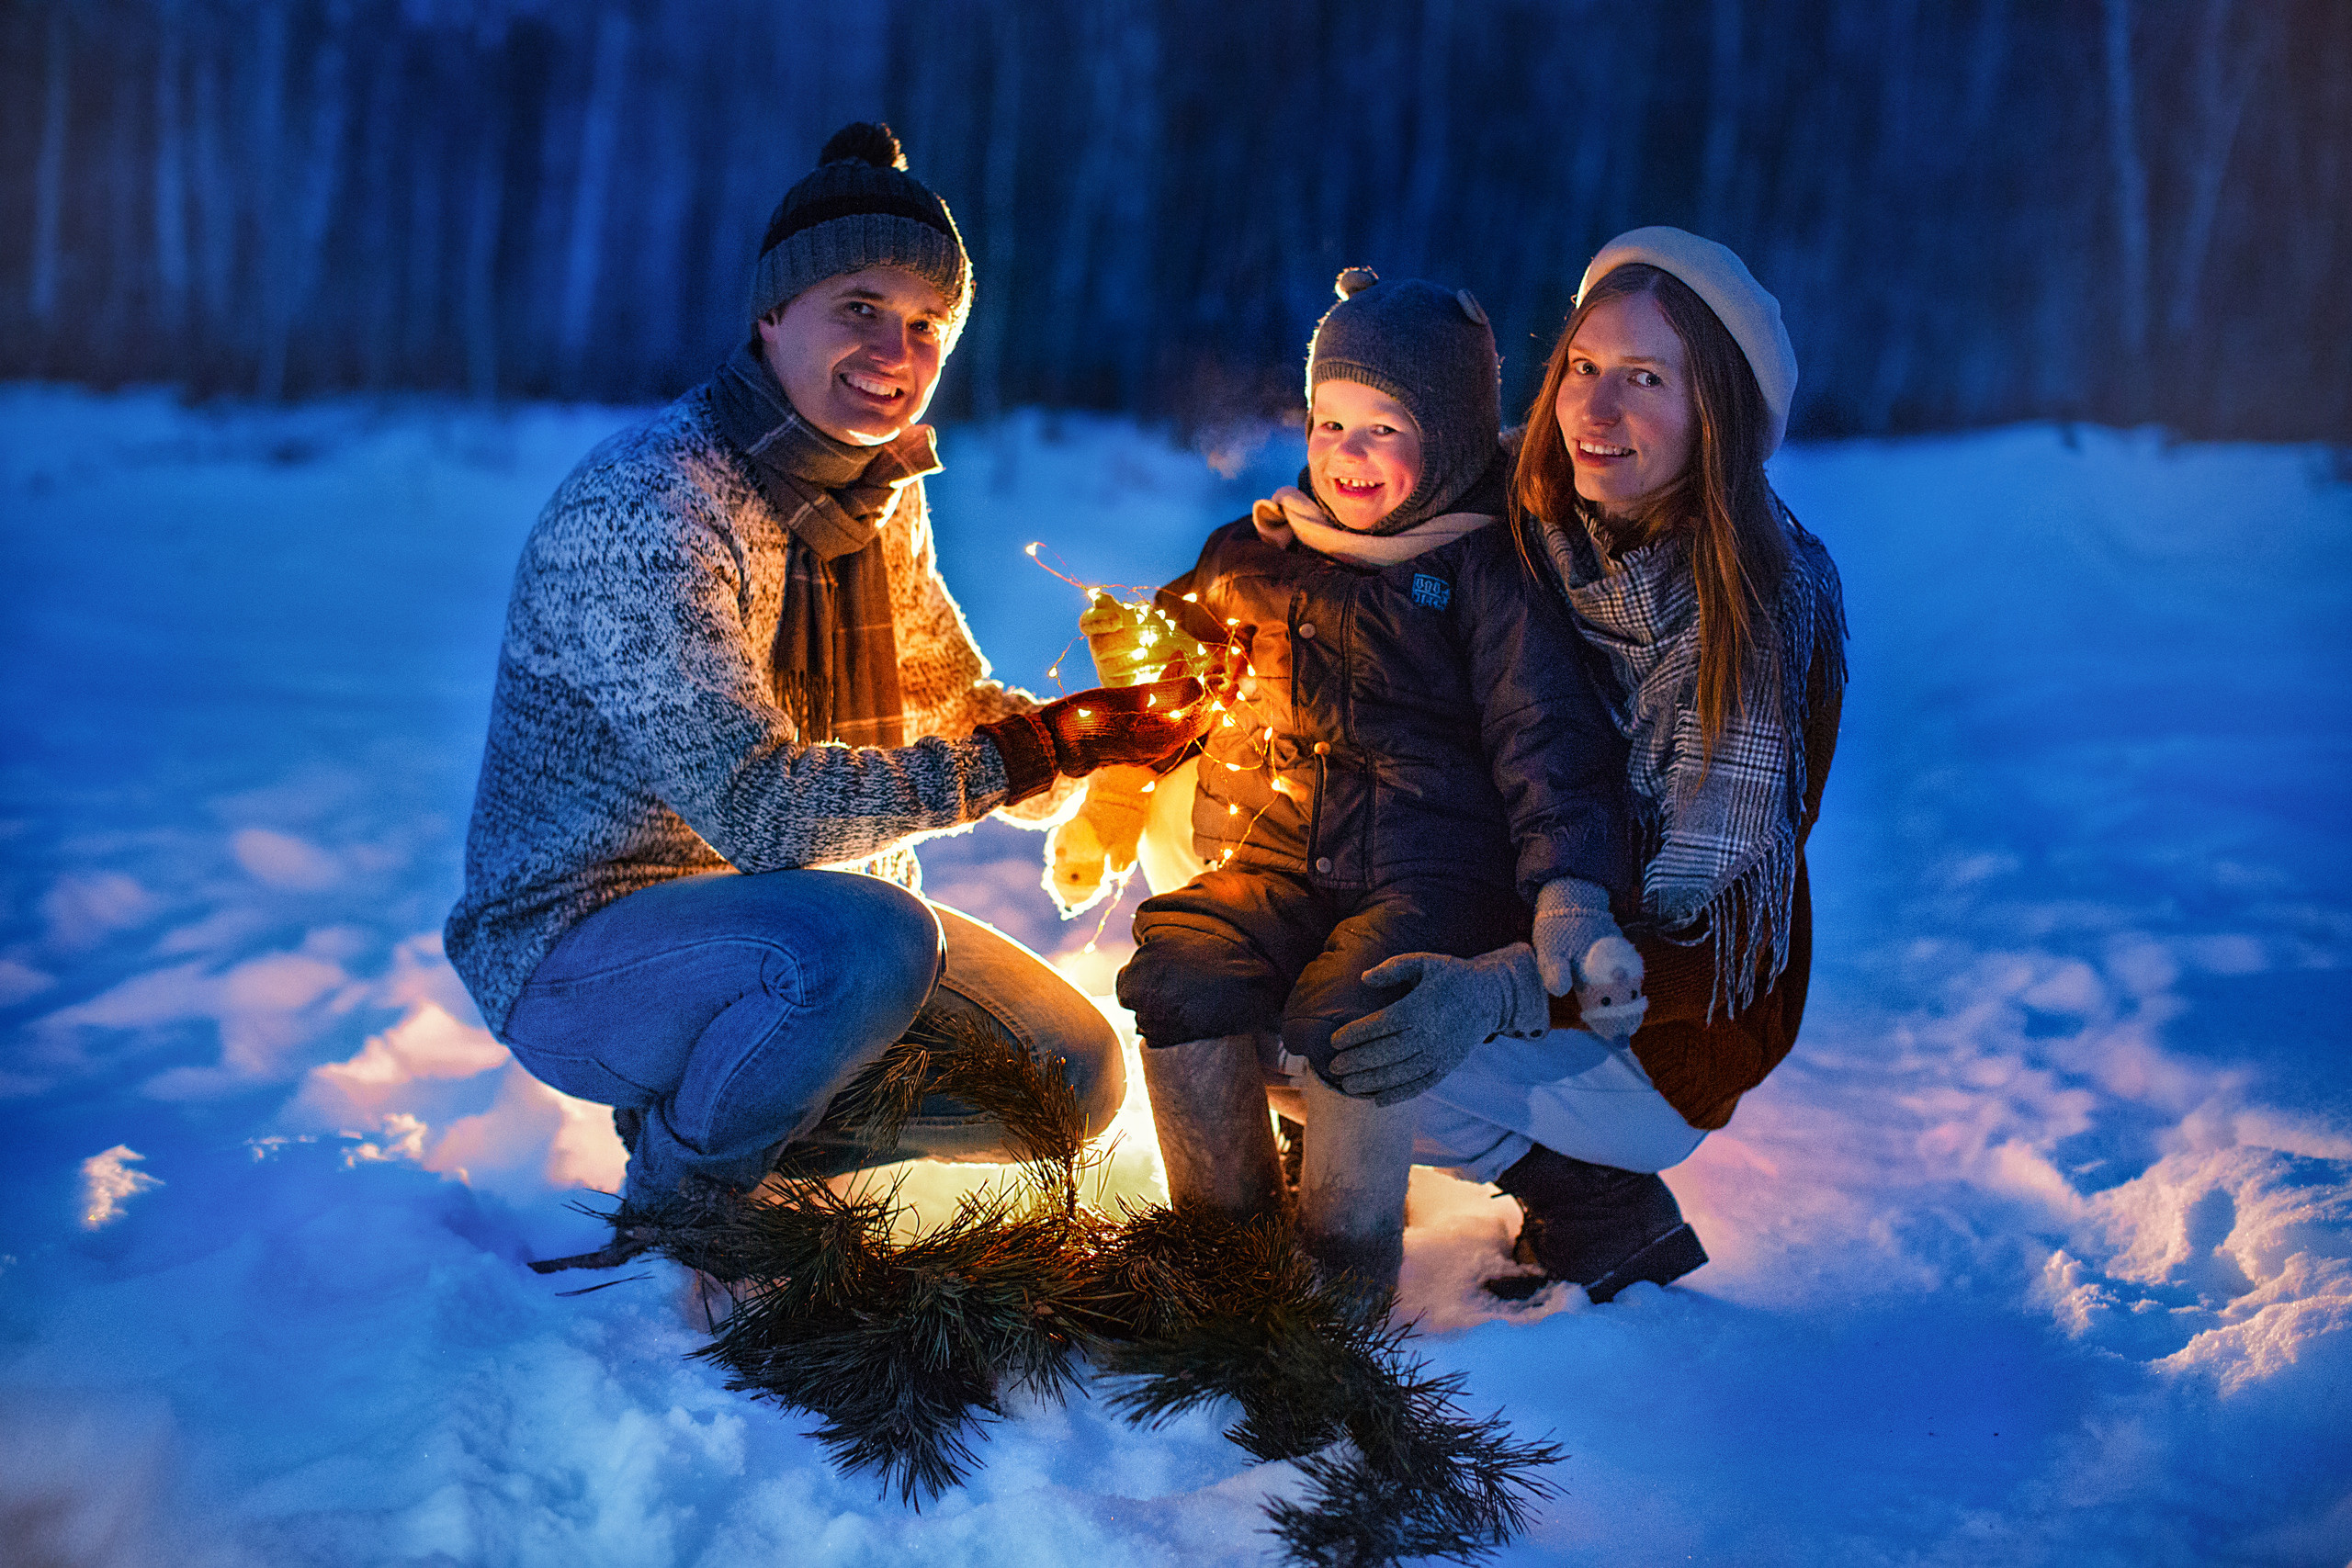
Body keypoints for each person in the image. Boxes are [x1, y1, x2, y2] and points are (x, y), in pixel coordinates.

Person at [443, 124, 1204, 1222]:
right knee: (869, 940)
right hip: (588, 948)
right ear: (771, 313)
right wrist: (1025, 753)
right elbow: (759, 813)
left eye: (926, 325)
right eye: (859, 307)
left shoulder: (872, 498)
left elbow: (954, 710)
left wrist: (1093, 742)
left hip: (803, 931)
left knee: (1071, 1080)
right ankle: (687, 1204)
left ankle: (745, 1108)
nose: (895, 352)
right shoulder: (654, 507)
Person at [1083, 269, 1644, 1301]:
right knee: (1180, 969)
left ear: (1454, 439)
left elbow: (1544, 743)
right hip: (1276, 854)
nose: (1347, 453)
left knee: (1364, 1014)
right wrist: (1133, 663)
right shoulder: (1260, 550)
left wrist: (1568, 889)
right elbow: (1184, 679)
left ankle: (1341, 1284)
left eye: (1383, 428)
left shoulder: (1488, 573)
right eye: (1330, 421)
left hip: (1428, 874)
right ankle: (1229, 1253)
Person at [1329, 227, 1848, 1303]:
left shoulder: (1756, 616)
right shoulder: (1531, 524)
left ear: (1721, 413)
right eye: (1582, 368)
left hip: (1663, 1025)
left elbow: (1710, 941)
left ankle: (1593, 1198)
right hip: (1486, 909)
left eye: (1647, 379)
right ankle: (1395, 1148)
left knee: (1337, 1042)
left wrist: (1504, 990)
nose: (1595, 412)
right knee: (1261, 991)